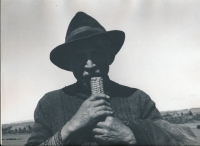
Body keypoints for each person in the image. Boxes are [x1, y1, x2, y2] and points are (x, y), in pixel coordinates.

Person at [25, 12, 200, 145]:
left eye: (97, 54)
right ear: (70, 64)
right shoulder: (50, 103)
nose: (90, 64)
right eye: (79, 57)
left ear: (110, 57)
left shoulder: (137, 99)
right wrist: (70, 127)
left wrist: (132, 136)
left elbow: (182, 140)